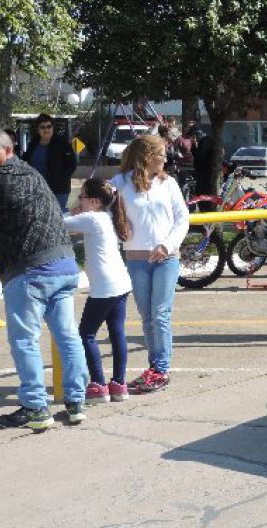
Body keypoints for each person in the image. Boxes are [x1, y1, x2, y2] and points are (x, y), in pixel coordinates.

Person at [0, 129, 87, 430]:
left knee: (24, 340)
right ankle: (75, 402)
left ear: (4, 150)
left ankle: (36, 407)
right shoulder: (31, 173)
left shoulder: (1, 179)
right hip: (63, 263)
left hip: (30, 269)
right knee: (66, 335)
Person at [110, 135, 189, 393]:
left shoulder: (168, 183)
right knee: (146, 317)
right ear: (146, 156)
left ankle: (161, 369)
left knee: (160, 314)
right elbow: (98, 200)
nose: (166, 159)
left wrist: (166, 245)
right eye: (161, 154)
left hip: (167, 257)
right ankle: (153, 366)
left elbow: (182, 219)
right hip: (136, 258)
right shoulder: (121, 182)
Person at [63, 178, 133, 403]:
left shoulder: (92, 218)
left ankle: (98, 384)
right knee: (116, 332)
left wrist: (74, 214)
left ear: (93, 201)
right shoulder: (106, 216)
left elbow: (60, 223)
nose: (79, 201)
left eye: (81, 197)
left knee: (86, 334)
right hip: (120, 283)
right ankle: (119, 385)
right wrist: (77, 213)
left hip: (105, 287)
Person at [21, 113, 77, 213]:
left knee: (58, 215)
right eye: (42, 127)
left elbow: (72, 165)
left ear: (53, 127)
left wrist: (61, 179)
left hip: (58, 189)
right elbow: (25, 161)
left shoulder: (62, 143)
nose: (46, 130)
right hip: (37, 188)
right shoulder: (33, 144)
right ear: (38, 129)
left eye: (48, 126)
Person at [190, 127, 215, 196]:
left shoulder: (204, 142)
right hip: (205, 170)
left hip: (204, 171)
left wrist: (194, 146)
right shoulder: (206, 141)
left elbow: (199, 156)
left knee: (202, 190)